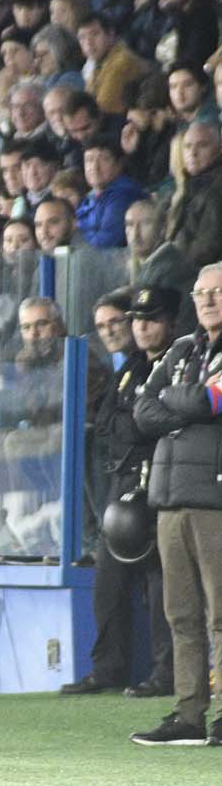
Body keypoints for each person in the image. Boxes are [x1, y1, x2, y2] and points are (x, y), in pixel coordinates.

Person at [62, 288, 176, 697]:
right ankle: (108, 667)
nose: (140, 326)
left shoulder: (177, 362)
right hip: (124, 483)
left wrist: (136, 424)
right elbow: (110, 422)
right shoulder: (128, 368)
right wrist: (137, 423)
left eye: (150, 319)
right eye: (137, 319)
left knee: (162, 583)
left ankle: (166, 675)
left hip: (161, 483)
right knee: (108, 580)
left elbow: (155, 425)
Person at [130, 264, 222, 746]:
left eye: (216, 292)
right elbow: (143, 410)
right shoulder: (184, 348)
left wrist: (182, 401)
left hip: (216, 498)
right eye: (201, 292)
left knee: (221, 614)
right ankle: (189, 715)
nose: (206, 300)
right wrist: (191, 402)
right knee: (181, 615)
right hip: (169, 497)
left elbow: (212, 402)